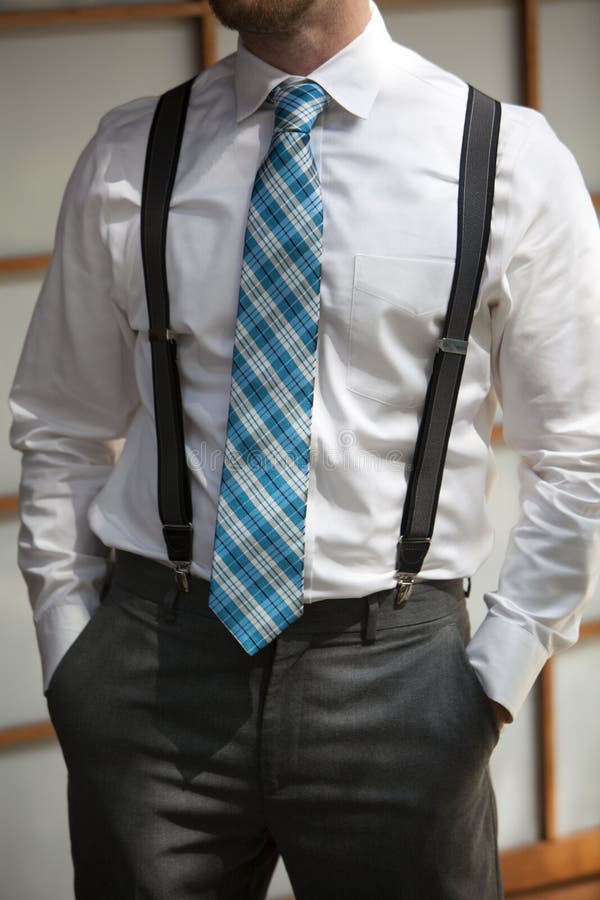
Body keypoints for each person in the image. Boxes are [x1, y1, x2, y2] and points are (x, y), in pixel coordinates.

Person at [9, 1, 600, 898]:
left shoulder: (505, 155)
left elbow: (580, 448)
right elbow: (61, 422)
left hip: (398, 680)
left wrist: (494, 679)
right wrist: (71, 652)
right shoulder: (131, 151)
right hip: (152, 668)